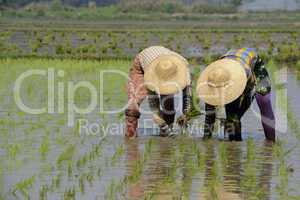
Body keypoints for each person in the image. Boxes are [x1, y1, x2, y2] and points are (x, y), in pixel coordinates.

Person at [196, 48, 275, 141]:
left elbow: (250, 94)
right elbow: (209, 116)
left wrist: (238, 115)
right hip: (230, 62)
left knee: (263, 100)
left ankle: (271, 143)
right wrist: (206, 139)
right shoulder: (212, 80)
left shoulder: (245, 73)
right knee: (231, 118)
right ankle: (234, 146)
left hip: (252, 63)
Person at [125, 46, 192, 138]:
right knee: (134, 102)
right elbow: (154, 108)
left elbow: (187, 97)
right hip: (143, 62)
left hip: (166, 62)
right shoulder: (151, 77)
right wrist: (165, 129)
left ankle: (167, 133)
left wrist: (186, 116)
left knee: (168, 104)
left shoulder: (184, 69)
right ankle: (130, 136)